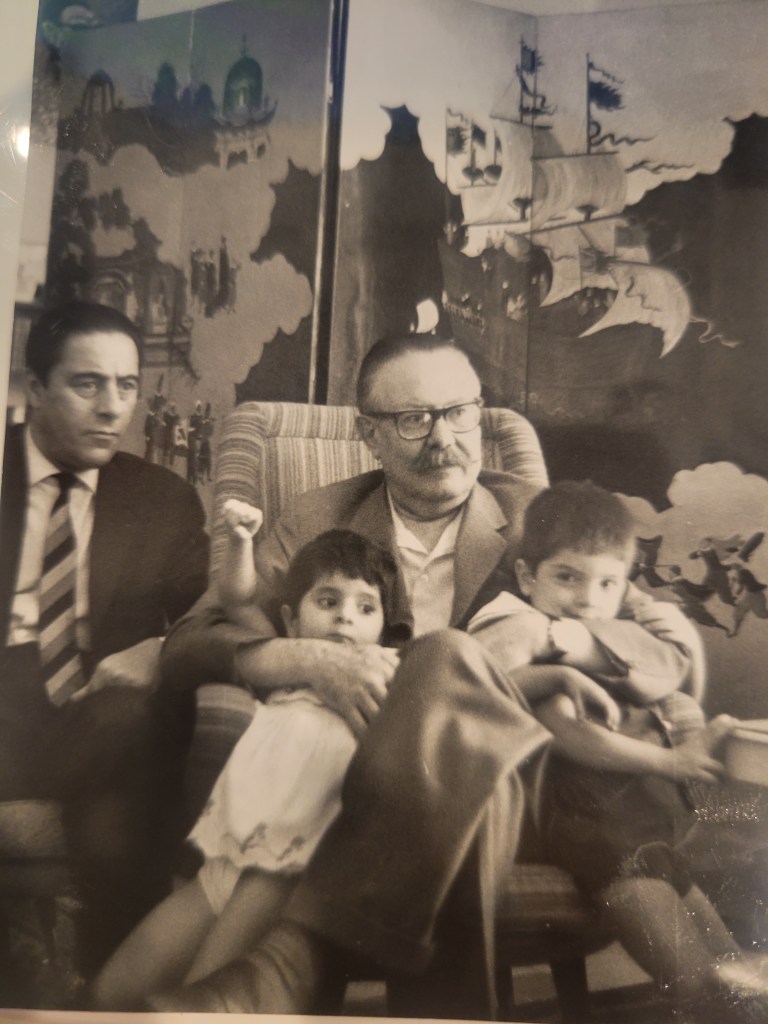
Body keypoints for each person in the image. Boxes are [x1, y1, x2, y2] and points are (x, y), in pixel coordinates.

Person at [154, 334, 701, 1018]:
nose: (443, 439)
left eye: (459, 412)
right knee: (447, 660)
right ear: (370, 435)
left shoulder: (536, 514)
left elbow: (666, 649)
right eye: (414, 419)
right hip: (365, 785)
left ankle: (285, 965)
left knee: (445, 658)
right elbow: (189, 644)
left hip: (529, 788)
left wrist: (558, 634)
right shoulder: (318, 518)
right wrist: (311, 659)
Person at [468, 481, 767, 1010]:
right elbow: (571, 736)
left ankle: (742, 999)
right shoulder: (516, 625)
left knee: (728, 963)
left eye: (607, 583)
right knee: (690, 972)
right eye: (567, 577)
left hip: (617, 813)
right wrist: (671, 760)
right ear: (527, 576)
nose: (587, 598)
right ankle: (715, 1000)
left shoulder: (593, 628)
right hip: (557, 814)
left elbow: (661, 666)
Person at [91, 513, 399, 1009]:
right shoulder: (286, 659)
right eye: (328, 601)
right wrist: (239, 541)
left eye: (366, 608)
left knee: (200, 998)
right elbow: (236, 598)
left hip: (280, 874)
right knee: (110, 992)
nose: (346, 618)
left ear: (383, 630)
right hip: (225, 860)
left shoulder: (382, 676)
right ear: (291, 621)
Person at [0, 300, 209, 978]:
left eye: (126, 385)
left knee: (127, 726)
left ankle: (105, 982)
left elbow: (210, 616)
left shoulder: (162, 501)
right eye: (87, 384)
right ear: (36, 389)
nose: (113, 407)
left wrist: (159, 649)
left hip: (98, 717)